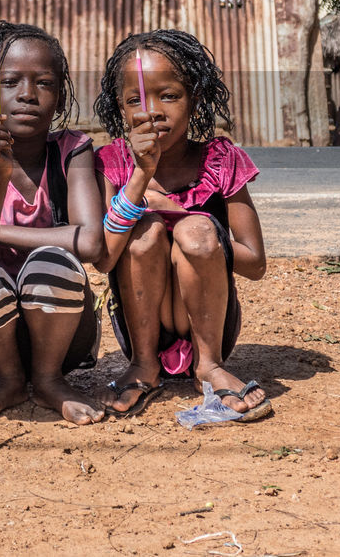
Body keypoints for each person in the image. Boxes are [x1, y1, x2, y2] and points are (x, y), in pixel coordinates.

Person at [0, 21, 105, 426]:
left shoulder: (73, 151)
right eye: (10, 82)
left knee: (51, 261)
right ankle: (6, 381)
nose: (27, 94)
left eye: (43, 83)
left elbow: (92, 243)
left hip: (62, 332)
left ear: (60, 99)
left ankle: (48, 380)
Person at [92, 29, 271, 421]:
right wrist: (140, 180)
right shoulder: (113, 162)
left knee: (196, 230)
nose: (152, 111)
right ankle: (143, 363)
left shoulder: (222, 159)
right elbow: (104, 258)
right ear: (120, 109)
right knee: (144, 231)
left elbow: (255, 263)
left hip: (210, 322)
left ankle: (208, 363)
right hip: (140, 319)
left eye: (168, 95)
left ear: (194, 99)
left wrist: (179, 213)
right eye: (134, 99)